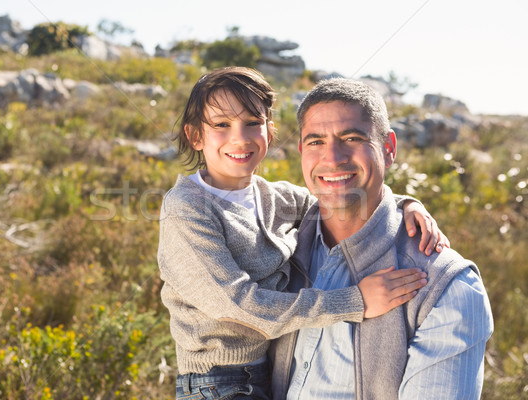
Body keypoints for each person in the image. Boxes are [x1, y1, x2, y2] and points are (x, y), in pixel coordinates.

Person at [157, 67, 446, 400]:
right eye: (221, 124)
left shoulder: (278, 197)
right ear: (195, 136)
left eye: (252, 122)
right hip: (216, 384)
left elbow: (343, 199)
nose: (240, 137)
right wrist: (356, 301)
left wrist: (405, 204)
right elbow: (237, 307)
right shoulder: (187, 208)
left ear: (269, 130)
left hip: (267, 374)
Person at [270, 78, 494, 399]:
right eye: (315, 141)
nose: (332, 158)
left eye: (352, 137)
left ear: (388, 149)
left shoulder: (447, 289)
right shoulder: (278, 243)